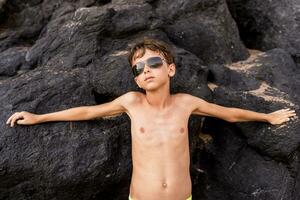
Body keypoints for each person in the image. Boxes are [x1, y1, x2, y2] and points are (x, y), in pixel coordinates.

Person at [6, 38, 297, 200]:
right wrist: (38, 116)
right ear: (136, 80)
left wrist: (267, 116)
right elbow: (86, 112)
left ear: (170, 69)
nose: (146, 69)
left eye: (153, 62)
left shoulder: (186, 103)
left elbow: (230, 114)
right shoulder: (131, 102)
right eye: (138, 68)